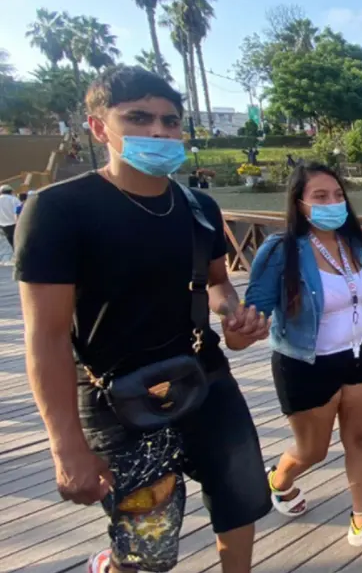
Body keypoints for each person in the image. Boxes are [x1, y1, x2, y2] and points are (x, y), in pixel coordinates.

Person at [15, 66, 272, 573]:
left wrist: (233, 316)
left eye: (170, 121)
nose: (158, 131)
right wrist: (66, 446)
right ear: (98, 126)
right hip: (118, 397)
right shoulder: (59, 210)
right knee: (147, 545)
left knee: (240, 499)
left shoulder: (198, 206)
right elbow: (44, 337)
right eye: (138, 117)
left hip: (205, 379)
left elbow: (217, 280)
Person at [244, 162, 362, 557]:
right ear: (300, 204)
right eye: (320, 196)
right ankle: (278, 482)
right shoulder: (282, 250)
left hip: (359, 357)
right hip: (305, 364)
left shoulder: (356, 243)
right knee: (313, 451)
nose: (332, 203)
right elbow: (256, 306)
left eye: (337, 196)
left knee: (360, 439)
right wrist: (243, 326)